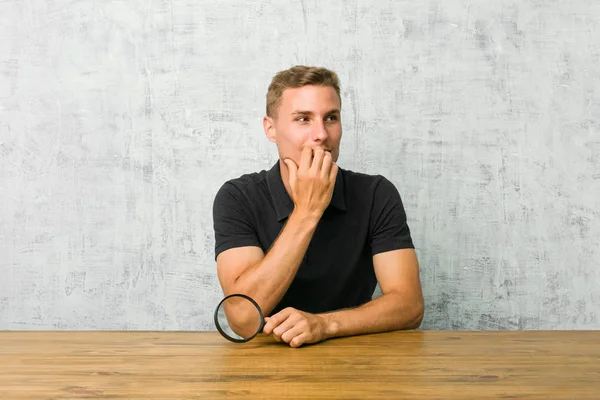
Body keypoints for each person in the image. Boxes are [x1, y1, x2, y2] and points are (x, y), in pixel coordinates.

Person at [212, 65, 424, 347]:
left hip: (355, 358)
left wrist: (324, 325)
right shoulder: (238, 197)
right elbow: (243, 318)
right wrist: (307, 211)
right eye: (303, 119)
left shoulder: (376, 194)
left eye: (331, 118)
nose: (321, 134)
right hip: (264, 368)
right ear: (271, 128)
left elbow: (409, 306)